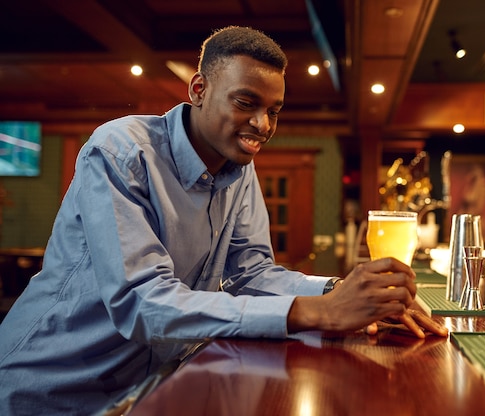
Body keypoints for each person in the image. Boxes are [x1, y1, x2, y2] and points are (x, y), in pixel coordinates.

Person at [0, 26, 446, 415]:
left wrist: (343, 292)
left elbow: (250, 274)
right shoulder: (121, 150)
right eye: (246, 102)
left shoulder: (240, 170)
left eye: (274, 110)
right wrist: (318, 311)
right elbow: (142, 301)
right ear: (198, 89)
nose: (262, 124)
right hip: (47, 387)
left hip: (144, 388)